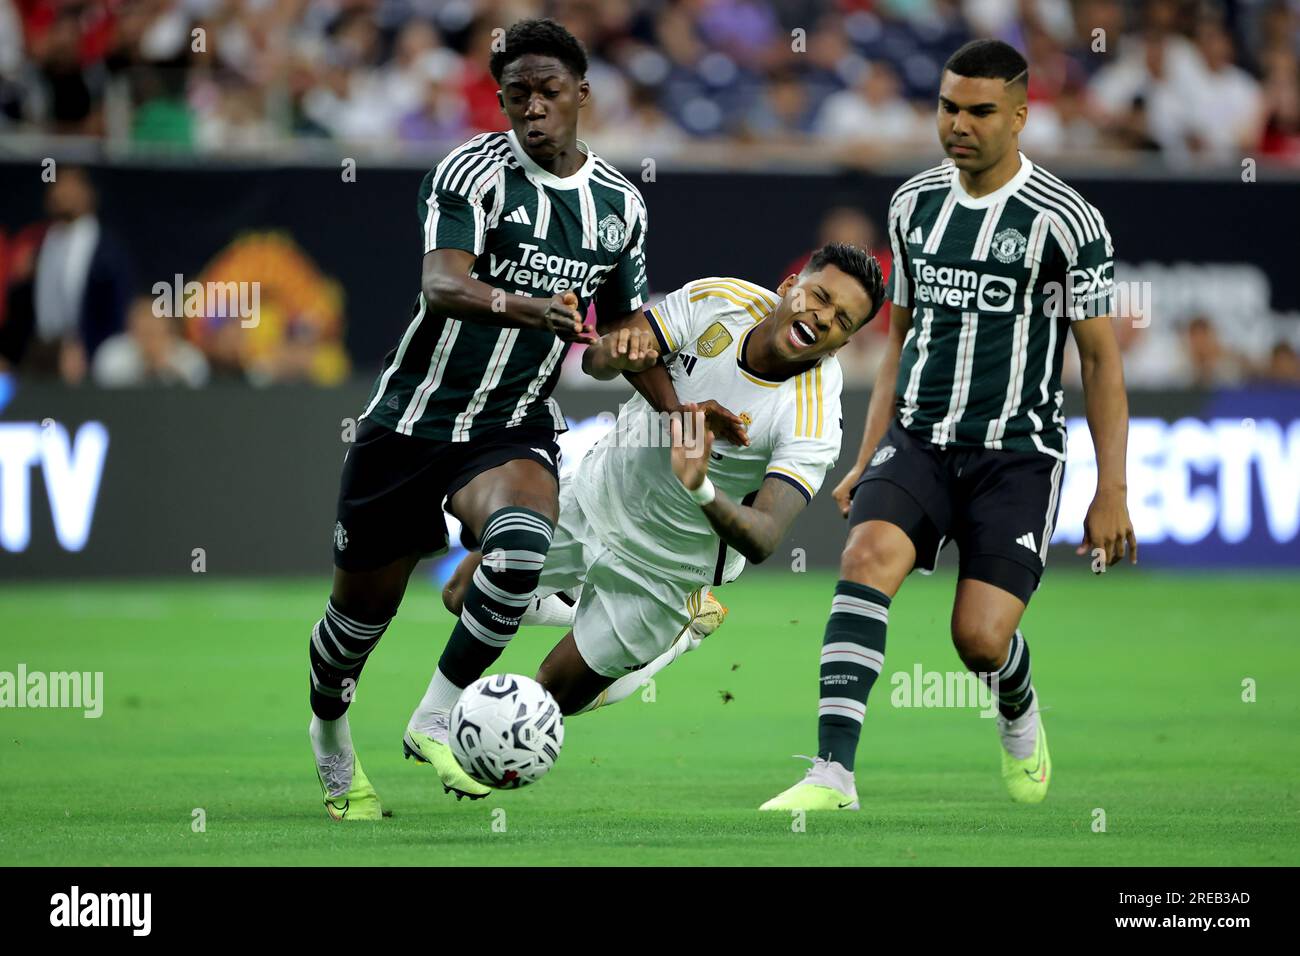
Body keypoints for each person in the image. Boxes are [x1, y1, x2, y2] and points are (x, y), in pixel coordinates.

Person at [306, 19, 681, 821]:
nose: (533, 107)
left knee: (519, 549)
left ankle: (435, 714)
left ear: (583, 94)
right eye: (517, 95)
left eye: (549, 92)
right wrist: (526, 305)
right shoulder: (469, 173)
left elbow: (622, 330)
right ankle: (331, 740)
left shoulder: (618, 206)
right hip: (410, 423)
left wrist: (684, 416)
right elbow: (444, 284)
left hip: (509, 426)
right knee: (355, 627)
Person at [760, 39, 1136, 812]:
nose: (958, 124)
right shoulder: (912, 205)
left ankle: (1018, 702)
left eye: (979, 111)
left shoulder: (1067, 223)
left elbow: (1100, 362)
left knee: (980, 640)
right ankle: (832, 774)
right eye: (947, 107)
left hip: (1018, 456)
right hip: (920, 440)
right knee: (864, 560)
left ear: (1021, 117)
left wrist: (1113, 491)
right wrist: (868, 455)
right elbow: (899, 342)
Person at [436, 245, 885, 725]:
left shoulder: (812, 416)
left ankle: (672, 637)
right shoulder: (719, 300)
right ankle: (578, 607)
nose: (821, 318)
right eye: (818, 296)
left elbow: (765, 536)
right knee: (462, 593)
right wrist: (613, 353)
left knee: (546, 702)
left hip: (665, 570)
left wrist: (701, 488)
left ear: (841, 344)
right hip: (596, 494)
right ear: (789, 286)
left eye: (841, 320)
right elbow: (602, 362)